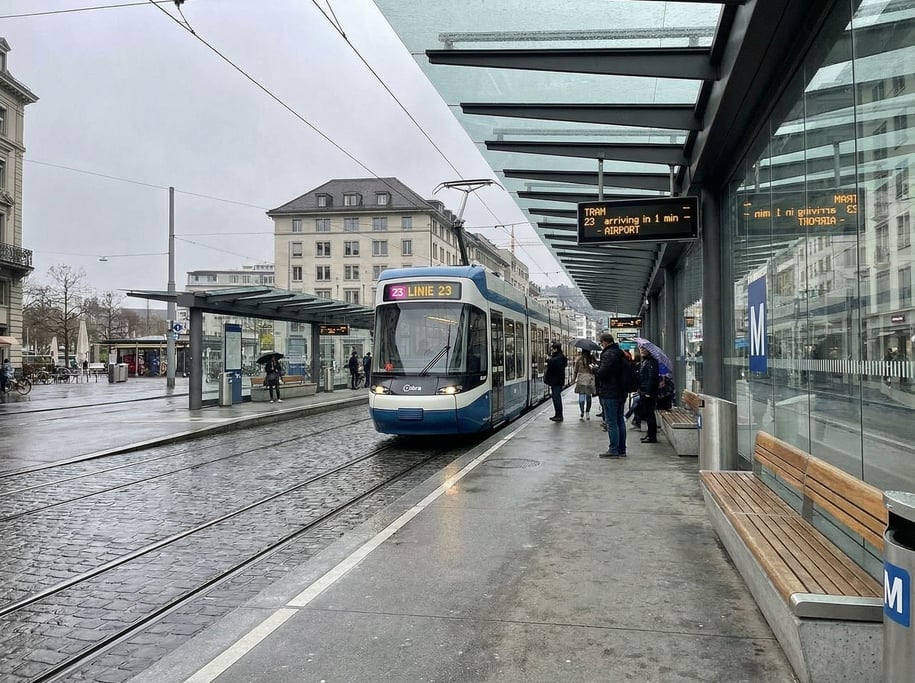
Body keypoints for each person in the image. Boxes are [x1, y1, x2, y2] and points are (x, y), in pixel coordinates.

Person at [595, 332, 628, 457]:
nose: (601, 345)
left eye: (601, 343)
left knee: (612, 422)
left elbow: (602, 373)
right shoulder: (619, 352)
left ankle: (613, 449)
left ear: (605, 342)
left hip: (610, 392)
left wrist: (595, 369)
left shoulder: (608, 354)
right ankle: (621, 449)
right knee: (620, 420)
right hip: (620, 391)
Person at [636, 345, 660, 444]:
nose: (642, 350)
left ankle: (652, 436)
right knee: (648, 414)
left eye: (644, 349)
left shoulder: (651, 362)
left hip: (648, 392)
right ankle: (649, 434)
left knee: (650, 414)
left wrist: (648, 392)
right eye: (641, 349)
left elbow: (651, 378)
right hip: (644, 391)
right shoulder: (646, 361)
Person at [544, 341, 567, 422]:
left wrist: (548, 359)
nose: (552, 350)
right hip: (557, 381)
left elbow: (553, 363)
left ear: (555, 349)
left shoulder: (559, 357)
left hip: (556, 381)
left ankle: (559, 415)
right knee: (555, 397)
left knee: (556, 397)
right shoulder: (559, 356)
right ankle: (557, 414)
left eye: (553, 349)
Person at [572, 349, 595, 420]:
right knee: (588, 398)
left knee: (582, 398)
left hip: (581, 380)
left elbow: (575, 370)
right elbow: (595, 369)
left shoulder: (579, 359)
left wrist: (574, 379)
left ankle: (582, 412)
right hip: (589, 380)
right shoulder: (592, 359)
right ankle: (587, 412)